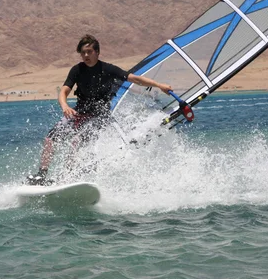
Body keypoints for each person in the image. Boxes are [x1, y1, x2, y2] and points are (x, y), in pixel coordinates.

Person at [27, 34, 172, 185]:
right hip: (79, 114)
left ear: (97, 52)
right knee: (50, 139)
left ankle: (66, 178)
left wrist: (159, 85)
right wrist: (65, 106)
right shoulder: (77, 70)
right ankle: (41, 175)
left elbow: (134, 79)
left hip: (100, 117)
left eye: (89, 51)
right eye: (83, 52)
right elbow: (64, 91)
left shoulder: (108, 69)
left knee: (76, 141)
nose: (86, 55)